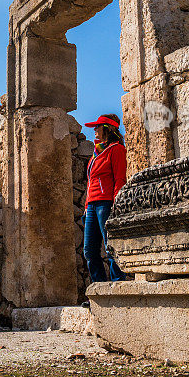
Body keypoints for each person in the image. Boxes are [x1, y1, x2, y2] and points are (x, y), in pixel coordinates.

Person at [82, 113, 127, 286]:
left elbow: (120, 179)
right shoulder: (96, 154)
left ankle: (117, 285)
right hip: (92, 205)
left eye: (97, 126)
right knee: (90, 251)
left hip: (106, 203)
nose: (94, 129)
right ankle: (99, 288)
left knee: (111, 247)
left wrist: (117, 203)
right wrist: (86, 206)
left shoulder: (116, 150)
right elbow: (90, 182)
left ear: (107, 129)